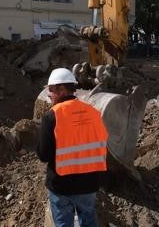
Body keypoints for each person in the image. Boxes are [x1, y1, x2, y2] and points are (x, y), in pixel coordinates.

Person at [37, 68, 108, 227]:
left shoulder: (52, 116)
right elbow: (102, 143)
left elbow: (43, 155)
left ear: (61, 90)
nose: (49, 95)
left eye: (51, 91)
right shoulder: (94, 113)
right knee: (89, 221)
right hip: (89, 183)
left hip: (62, 185)